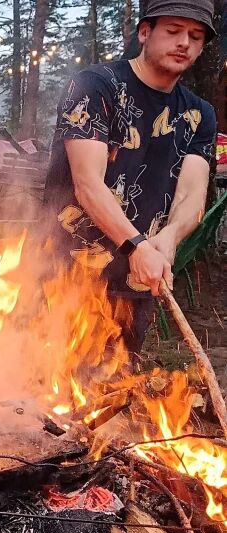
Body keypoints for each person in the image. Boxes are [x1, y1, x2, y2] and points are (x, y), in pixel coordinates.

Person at [43, 0, 216, 355]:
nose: (184, 42)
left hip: (138, 281)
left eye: (196, 36)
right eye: (173, 31)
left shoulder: (200, 114)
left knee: (120, 380)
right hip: (67, 273)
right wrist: (137, 245)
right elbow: (87, 184)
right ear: (144, 32)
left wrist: (169, 238)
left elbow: (192, 195)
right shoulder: (95, 86)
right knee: (50, 380)